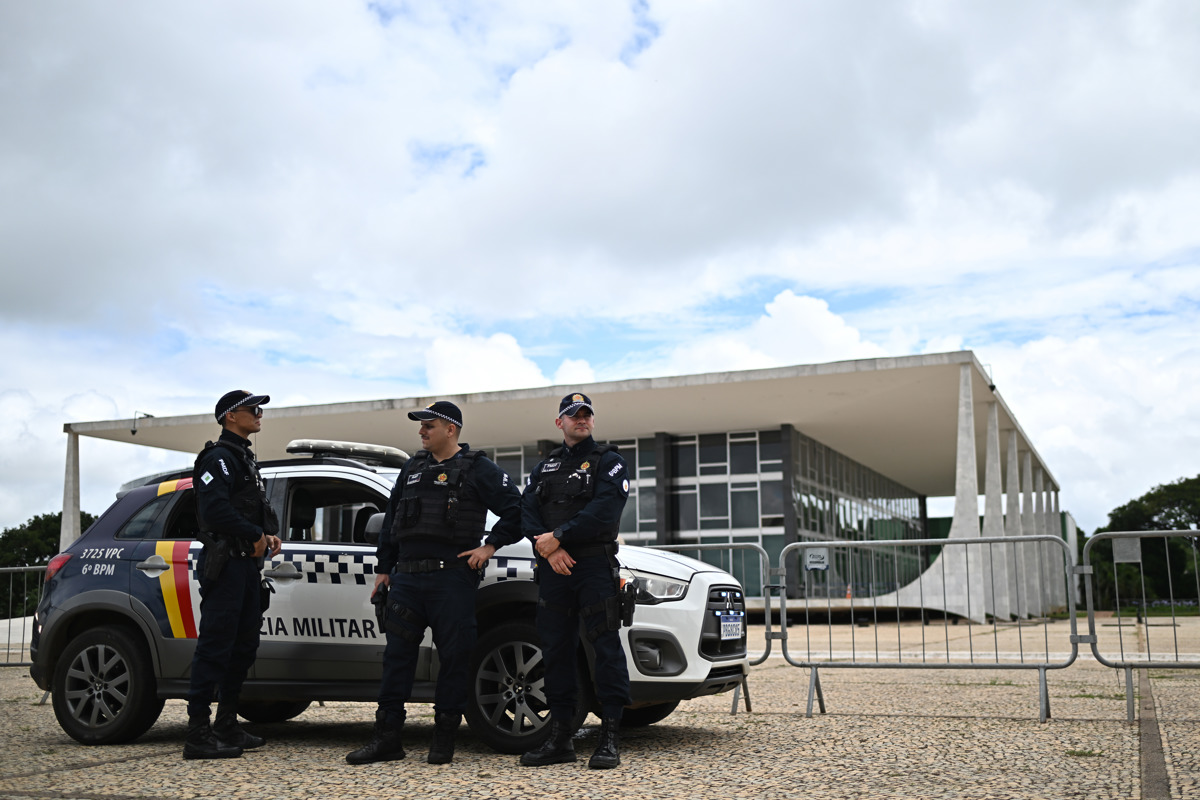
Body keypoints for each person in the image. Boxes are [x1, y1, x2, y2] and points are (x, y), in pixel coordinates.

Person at [347, 400, 522, 766]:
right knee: (397, 660)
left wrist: (489, 546)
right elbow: (393, 519)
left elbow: (518, 511)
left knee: (454, 660)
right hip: (408, 578)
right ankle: (387, 739)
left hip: (451, 579)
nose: (421, 431)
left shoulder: (479, 469)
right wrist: (384, 568)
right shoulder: (411, 468)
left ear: (450, 429)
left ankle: (443, 741)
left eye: (428, 425)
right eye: (421, 426)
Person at [520, 392, 631, 770]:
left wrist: (560, 536)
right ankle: (561, 739)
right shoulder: (545, 467)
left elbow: (604, 511)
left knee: (605, 648)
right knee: (555, 651)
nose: (580, 419)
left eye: (586, 415)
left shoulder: (609, 462)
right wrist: (549, 550)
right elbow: (526, 510)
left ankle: (610, 737)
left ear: (593, 421)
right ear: (560, 423)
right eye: (573, 415)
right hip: (554, 569)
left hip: (593, 568)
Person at [184, 390, 283, 760]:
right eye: (252, 409)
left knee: (243, 648)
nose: (260, 414)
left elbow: (244, 510)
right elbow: (216, 511)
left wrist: (265, 535)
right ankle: (197, 734)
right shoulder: (219, 457)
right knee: (214, 647)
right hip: (225, 566)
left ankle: (226, 724)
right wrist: (254, 534)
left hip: (245, 566)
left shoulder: (243, 458)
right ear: (230, 417)